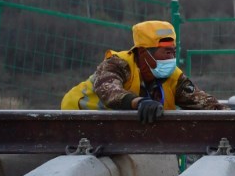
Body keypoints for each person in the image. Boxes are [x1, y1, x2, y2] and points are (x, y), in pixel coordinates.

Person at [61, 20, 226, 123]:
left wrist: (228, 115)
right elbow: (109, 91)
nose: (171, 58)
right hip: (78, 120)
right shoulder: (117, 64)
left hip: (116, 129)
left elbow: (202, 101)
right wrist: (139, 102)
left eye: (173, 52)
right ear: (143, 53)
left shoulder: (174, 77)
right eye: (166, 52)